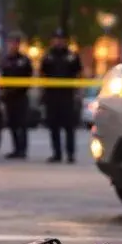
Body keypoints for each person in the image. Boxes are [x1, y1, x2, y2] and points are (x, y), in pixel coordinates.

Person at [40, 28, 82, 163]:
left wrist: (78, 93)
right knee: (53, 126)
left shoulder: (71, 56)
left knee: (69, 126)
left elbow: (79, 74)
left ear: (65, 41)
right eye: (56, 39)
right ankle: (56, 153)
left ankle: (70, 154)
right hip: (52, 96)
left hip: (67, 96)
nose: (58, 41)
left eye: (61, 39)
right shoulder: (48, 56)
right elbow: (42, 74)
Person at [0, 33, 33, 158]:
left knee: (22, 124)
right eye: (10, 42)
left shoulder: (24, 61)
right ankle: (15, 149)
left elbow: (28, 77)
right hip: (9, 97)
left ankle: (22, 149)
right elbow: (3, 77)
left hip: (20, 96)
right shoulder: (6, 60)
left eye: (15, 43)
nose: (12, 45)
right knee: (12, 124)